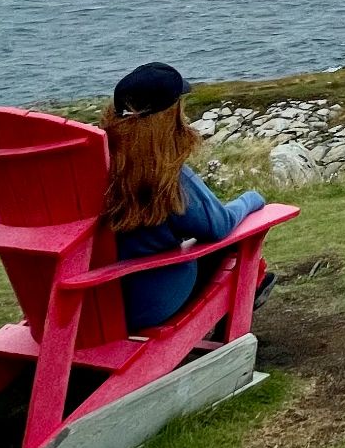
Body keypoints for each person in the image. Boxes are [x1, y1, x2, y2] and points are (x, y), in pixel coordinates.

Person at [105, 60, 269, 332]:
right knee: (232, 243)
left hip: (92, 304)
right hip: (152, 303)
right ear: (170, 115)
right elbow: (219, 225)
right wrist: (252, 199)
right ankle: (243, 304)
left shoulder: (96, 167)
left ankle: (257, 282)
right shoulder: (168, 175)